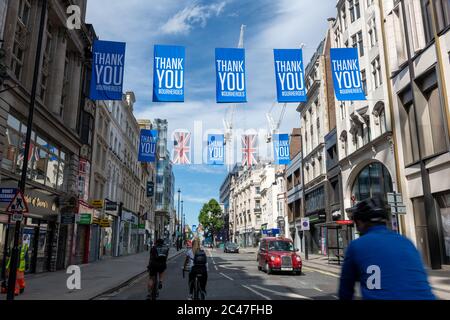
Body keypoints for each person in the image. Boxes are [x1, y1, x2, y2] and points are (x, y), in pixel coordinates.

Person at [339, 195, 436, 300]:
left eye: (356, 223)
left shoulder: (356, 246)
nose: (357, 227)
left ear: (361, 222)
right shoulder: (406, 242)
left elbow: (345, 291)